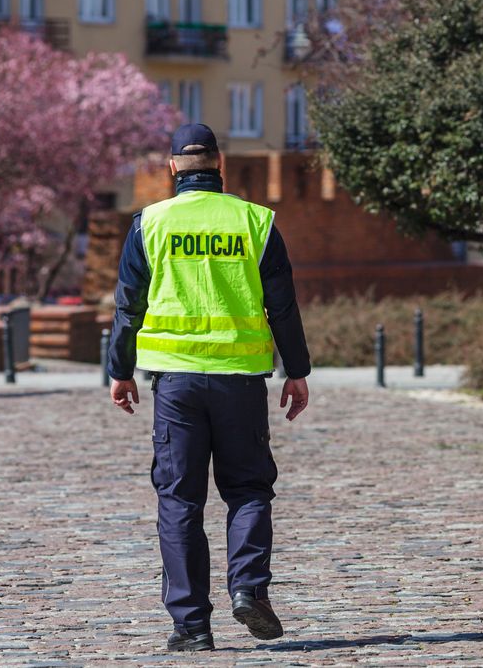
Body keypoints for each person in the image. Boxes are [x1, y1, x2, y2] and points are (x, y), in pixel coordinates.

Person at [106, 123, 312, 652]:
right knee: (247, 490)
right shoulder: (256, 221)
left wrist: (120, 368)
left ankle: (192, 626)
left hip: (174, 382)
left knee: (179, 499)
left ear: (172, 167)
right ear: (220, 165)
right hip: (240, 380)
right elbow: (282, 304)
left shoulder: (149, 223)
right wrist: (297, 369)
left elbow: (129, 304)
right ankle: (248, 589)